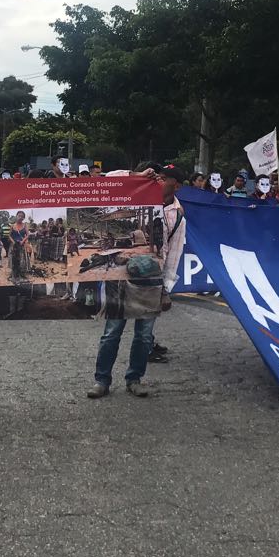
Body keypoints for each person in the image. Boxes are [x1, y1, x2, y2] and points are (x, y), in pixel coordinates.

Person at [88, 165, 186, 398]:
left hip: (152, 282)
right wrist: (137, 177)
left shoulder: (178, 215)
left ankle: (134, 378)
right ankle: (102, 380)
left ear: (177, 186)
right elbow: (106, 179)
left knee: (144, 336)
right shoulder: (135, 195)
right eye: (157, 177)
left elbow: (173, 253)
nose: (158, 181)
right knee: (112, 332)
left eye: (164, 179)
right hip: (122, 279)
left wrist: (166, 289)